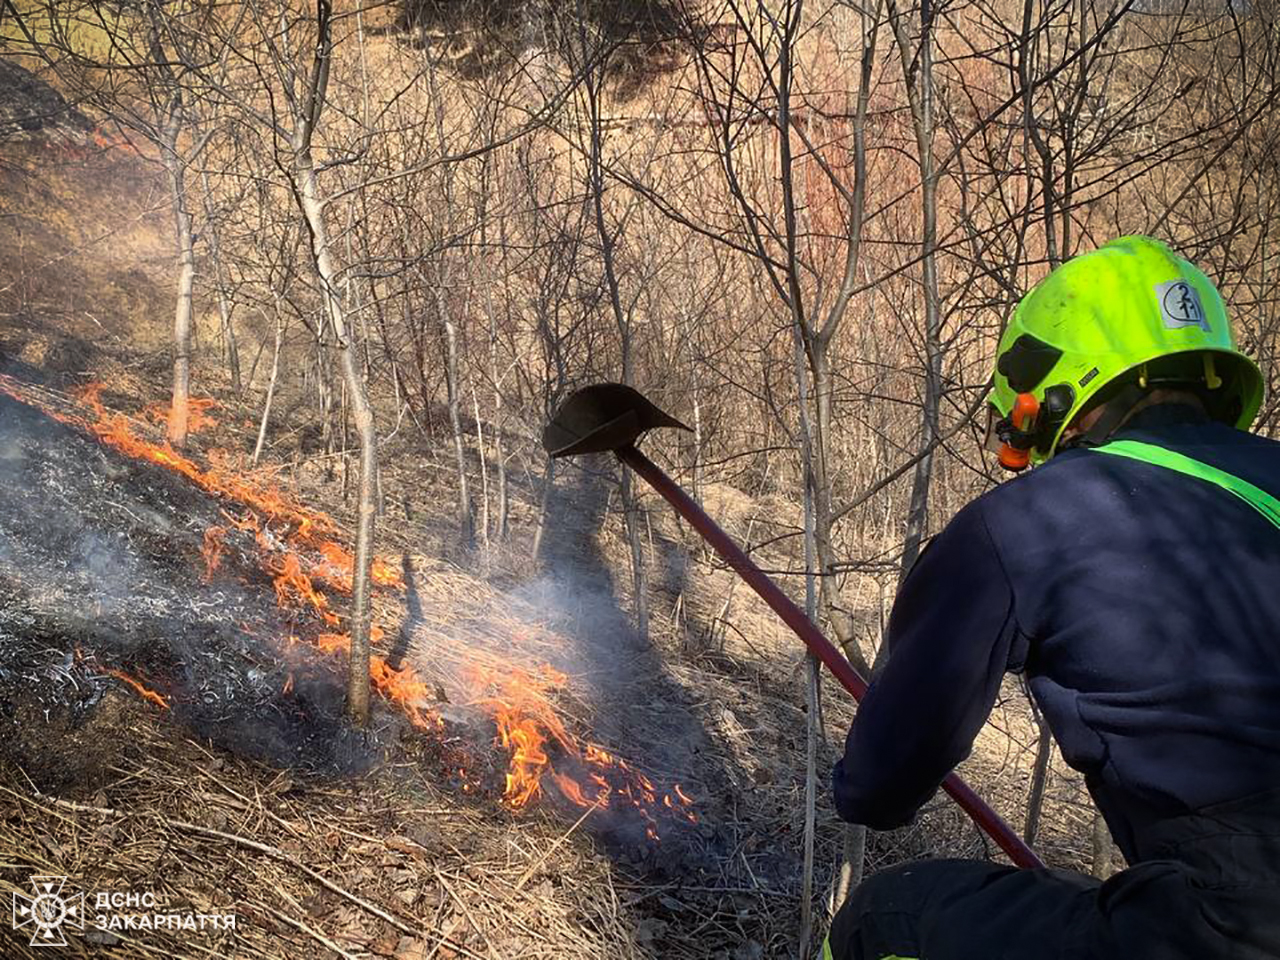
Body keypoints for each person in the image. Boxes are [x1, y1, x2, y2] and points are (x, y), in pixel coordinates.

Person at [823, 235, 1280, 959]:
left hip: (1237, 924)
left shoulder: (1032, 520)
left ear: (1057, 387)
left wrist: (865, 772)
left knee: (885, 920)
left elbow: (878, 787)